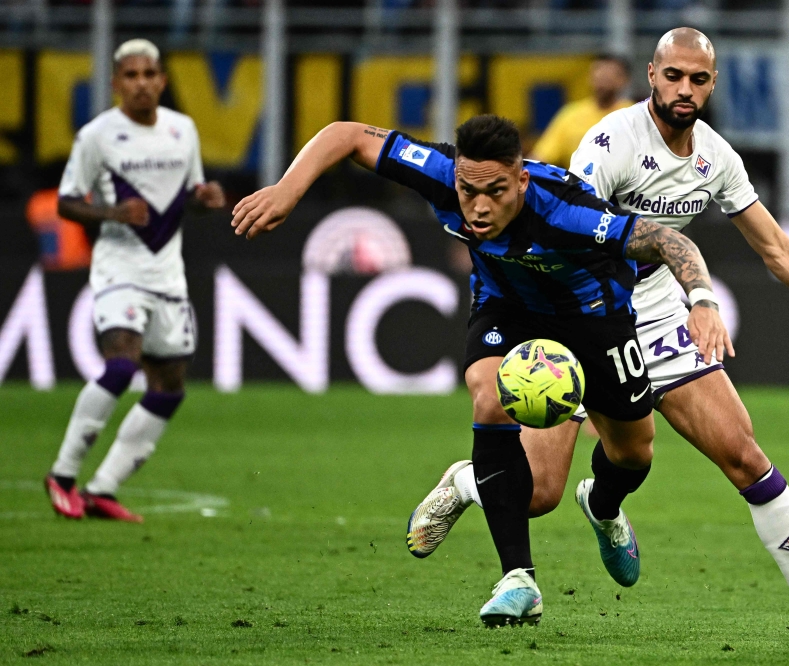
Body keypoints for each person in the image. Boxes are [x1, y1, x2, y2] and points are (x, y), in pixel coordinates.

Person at [407, 29, 789, 643]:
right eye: (673, 77)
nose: (684, 89)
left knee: (743, 455)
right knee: (536, 495)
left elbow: (774, 247)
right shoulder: (609, 143)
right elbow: (572, 237)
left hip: (662, 321)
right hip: (584, 321)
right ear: (651, 76)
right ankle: (464, 481)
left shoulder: (716, 157)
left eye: (698, 79)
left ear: (712, 85)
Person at [230, 114, 732, 627]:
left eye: (496, 191)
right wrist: (286, 191)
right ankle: (519, 578)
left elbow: (672, 243)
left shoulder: (567, 210)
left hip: (595, 320)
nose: (479, 206)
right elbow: (346, 135)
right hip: (507, 308)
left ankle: (598, 506)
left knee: (628, 457)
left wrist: (703, 300)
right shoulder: (444, 173)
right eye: (469, 191)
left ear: (522, 180)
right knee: (489, 396)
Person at [44, 39, 226, 523]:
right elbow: (66, 202)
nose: (141, 83)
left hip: (167, 274)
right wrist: (111, 212)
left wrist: (202, 195)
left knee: (169, 386)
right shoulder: (97, 136)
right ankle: (62, 475)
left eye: (149, 74)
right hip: (118, 270)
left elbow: (181, 194)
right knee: (121, 365)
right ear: (115, 83)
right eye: (131, 75)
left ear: (163, 80)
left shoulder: (182, 129)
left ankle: (103, 488)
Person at [529, 54, 633, 168]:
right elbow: (541, 156)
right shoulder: (570, 115)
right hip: (577, 184)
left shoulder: (636, 116)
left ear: (624, 80)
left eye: (609, 74)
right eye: (598, 72)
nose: (603, 77)